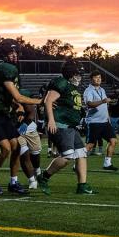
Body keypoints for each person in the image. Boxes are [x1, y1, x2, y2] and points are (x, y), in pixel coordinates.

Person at [0, 40, 41, 195]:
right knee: (6, 148)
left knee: (17, 147)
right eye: (10, 53)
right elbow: (18, 97)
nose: (14, 55)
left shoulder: (11, 69)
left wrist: (17, 107)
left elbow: (11, 98)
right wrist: (42, 101)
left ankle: (14, 182)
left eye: (15, 52)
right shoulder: (5, 68)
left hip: (2, 113)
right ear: (4, 55)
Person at [37, 60, 94, 195]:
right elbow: (48, 101)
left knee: (81, 153)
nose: (79, 76)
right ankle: (44, 177)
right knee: (67, 157)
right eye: (77, 73)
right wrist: (51, 120)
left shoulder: (71, 86)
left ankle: (82, 185)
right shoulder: (61, 82)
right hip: (60, 124)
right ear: (70, 73)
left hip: (70, 126)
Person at [83, 71, 118, 170]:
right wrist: (103, 101)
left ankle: (107, 163)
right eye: (96, 77)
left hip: (105, 122)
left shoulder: (102, 89)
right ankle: (77, 162)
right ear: (91, 79)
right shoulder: (88, 91)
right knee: (90, 145)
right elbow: (89, 104)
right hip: (94, 122)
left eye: (99, 77)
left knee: (113, 141)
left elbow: (104, 105)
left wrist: (108, 116)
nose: (98, 79)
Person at [16, 87, 43, 189]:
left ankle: (37, 171)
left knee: (35, 154)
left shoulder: (22, 95)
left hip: (30, 129)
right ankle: (31, 179)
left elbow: (31, 113)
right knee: (24, 154)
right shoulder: (3, 97)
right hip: (15, 132)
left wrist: (25, 124)